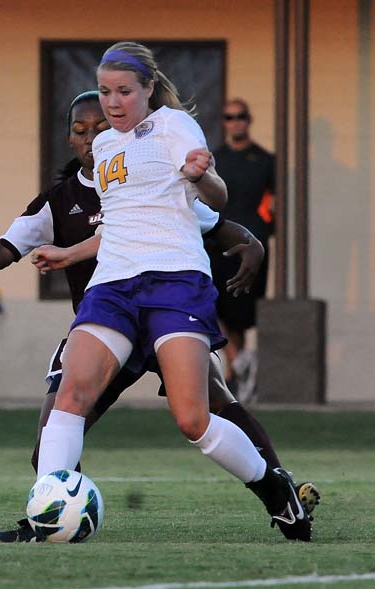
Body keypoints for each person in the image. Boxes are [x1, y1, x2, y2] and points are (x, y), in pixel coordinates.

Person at [0, 89, 318, 543]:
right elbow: (4, 250)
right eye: (80, 129)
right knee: (51, 434)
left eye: (101, 127)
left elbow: (220, 224)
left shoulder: (150, 179)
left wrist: (252, 245)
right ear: (69, 139)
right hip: (107, 322)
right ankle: (50, 517)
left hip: (164, 311)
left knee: (212, 403)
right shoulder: (60, 200)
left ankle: (279, 485)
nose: (91, 137)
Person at [29, 42, 315, 542]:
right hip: (113, 285)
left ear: (147, 90)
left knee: (193, 419)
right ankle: (47, 515)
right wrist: (70, 255)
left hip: (174, 283)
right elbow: (121, 221)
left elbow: (217, 197)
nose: (113, 103)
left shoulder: (174, 128)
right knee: (69, 399)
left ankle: (274, 488)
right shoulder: (104, 148)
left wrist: (202, 176)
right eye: (104, 91)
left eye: (124, 92)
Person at [210, 98, 276, 403]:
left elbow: (275, 203)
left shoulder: (264, 160)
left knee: (241, 312)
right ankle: (238, 361)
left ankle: (236, 377)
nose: (235, 121)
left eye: (240, 116)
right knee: (213, 304)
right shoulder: (214, 159)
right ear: (223, 121)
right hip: (217, 243)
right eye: (229, 117)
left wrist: (265, 229)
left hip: (252, 245)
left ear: (249, 120)